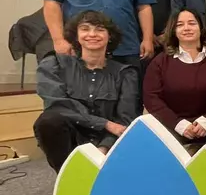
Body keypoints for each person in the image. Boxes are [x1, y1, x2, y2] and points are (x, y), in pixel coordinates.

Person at [33, 11, 138, 172]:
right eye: (85, 29)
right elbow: (57, 106)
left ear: (109, 36)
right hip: (71, 137)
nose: (92, 34)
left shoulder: (125, 73)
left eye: (100, 29)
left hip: (107, 140)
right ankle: (68, 175)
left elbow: (124, 119)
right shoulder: (55, 64)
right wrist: (105, 123)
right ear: (76, 36)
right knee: (48, 121)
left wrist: (103, 149)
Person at [143, 8, 206, 152]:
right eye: (180, 25)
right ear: (173, 31)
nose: (186, 28)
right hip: (174, 125)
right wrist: (179, 124)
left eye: (192, 23)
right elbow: (152, 98)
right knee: (154, 129)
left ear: (201, 28)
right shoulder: (160, 62)